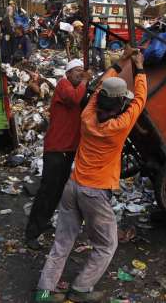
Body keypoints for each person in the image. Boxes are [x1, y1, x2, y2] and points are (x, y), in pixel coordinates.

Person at [35, 46, 147, 303]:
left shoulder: (87, 117)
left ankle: (43, 293)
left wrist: (121, 63)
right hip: (95, 193)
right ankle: (81, 289)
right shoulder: (118, 127)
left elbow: (96, 90)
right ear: (120, 104)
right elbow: (140, 99)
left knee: (62, 243)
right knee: (107, 245)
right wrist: (139, 68)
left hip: (72, 186)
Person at [25, 59, 88, 251]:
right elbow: (74, 100)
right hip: (56, 149)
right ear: (67, 73)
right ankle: (31, 233)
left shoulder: (78, 89)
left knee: (57, 190)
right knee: (47, 191)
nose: (80, 74)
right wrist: (85, 81)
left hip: (67, 150)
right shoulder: (64, 85)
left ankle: (43, 222)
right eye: (77, 71)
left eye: (82, 71)